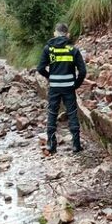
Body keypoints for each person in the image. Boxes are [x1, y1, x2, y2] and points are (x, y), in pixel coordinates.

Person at [37, 23, 87, 153]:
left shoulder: (49, 49)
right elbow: (82, 71)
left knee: (52, 113)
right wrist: (76, 84)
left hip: (54, 87)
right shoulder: (73, 50)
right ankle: (76, 145)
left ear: (55, 33)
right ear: (67, 34)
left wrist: (50, 77)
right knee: (72, 113)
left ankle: (51, 145)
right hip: (69, 87)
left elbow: (40, 68)